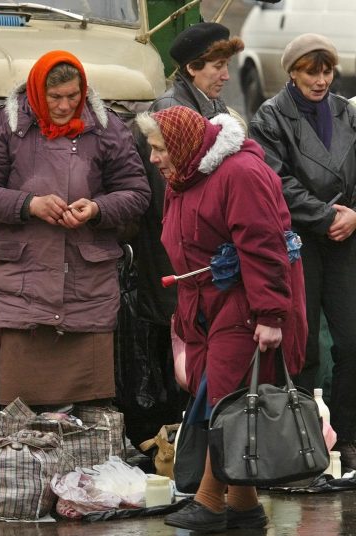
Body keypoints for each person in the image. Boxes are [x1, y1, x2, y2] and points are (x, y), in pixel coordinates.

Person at [135, 105, 307, 533]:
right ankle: (244, 505)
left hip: (245, 302)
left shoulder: (240, 173)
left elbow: (264, 245)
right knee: (221, 397)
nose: (153, 158)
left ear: (181, 145)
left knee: (227, 399)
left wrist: (270, 315)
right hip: (206, 303)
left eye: (159, 148)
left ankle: (209, 502)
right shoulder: (183, 177)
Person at [0, 50, 150, 411]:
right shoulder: (6, 125)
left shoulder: (106, 126)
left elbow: (137, 193)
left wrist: (97, 209)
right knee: (22, 409)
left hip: (87, 286)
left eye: (73, 96)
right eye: (55, 97)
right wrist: (28, 204)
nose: (65, 106)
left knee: (90, 408)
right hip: (25, 286)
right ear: (37, 92)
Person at [126, 23, 246, 449]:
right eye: (217, 66)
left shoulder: (210, 104)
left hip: (198, 257)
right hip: (178, 259)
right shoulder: (171, 111)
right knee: (182, 349)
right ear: (193, 68)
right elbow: (171, 199)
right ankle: (184, 446)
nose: (226, 75)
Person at [249, 33, 356, 471]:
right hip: (299, 242)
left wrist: (353, 215)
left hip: (346, 237)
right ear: (292, 72)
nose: (320, 80)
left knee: (351, 340)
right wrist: (326, 216)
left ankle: (346, 433)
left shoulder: (347, 112)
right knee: (303, 344)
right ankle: (304, 437)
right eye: (311, 72)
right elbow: (275, 181)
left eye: (326, 71)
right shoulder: (271, 117)